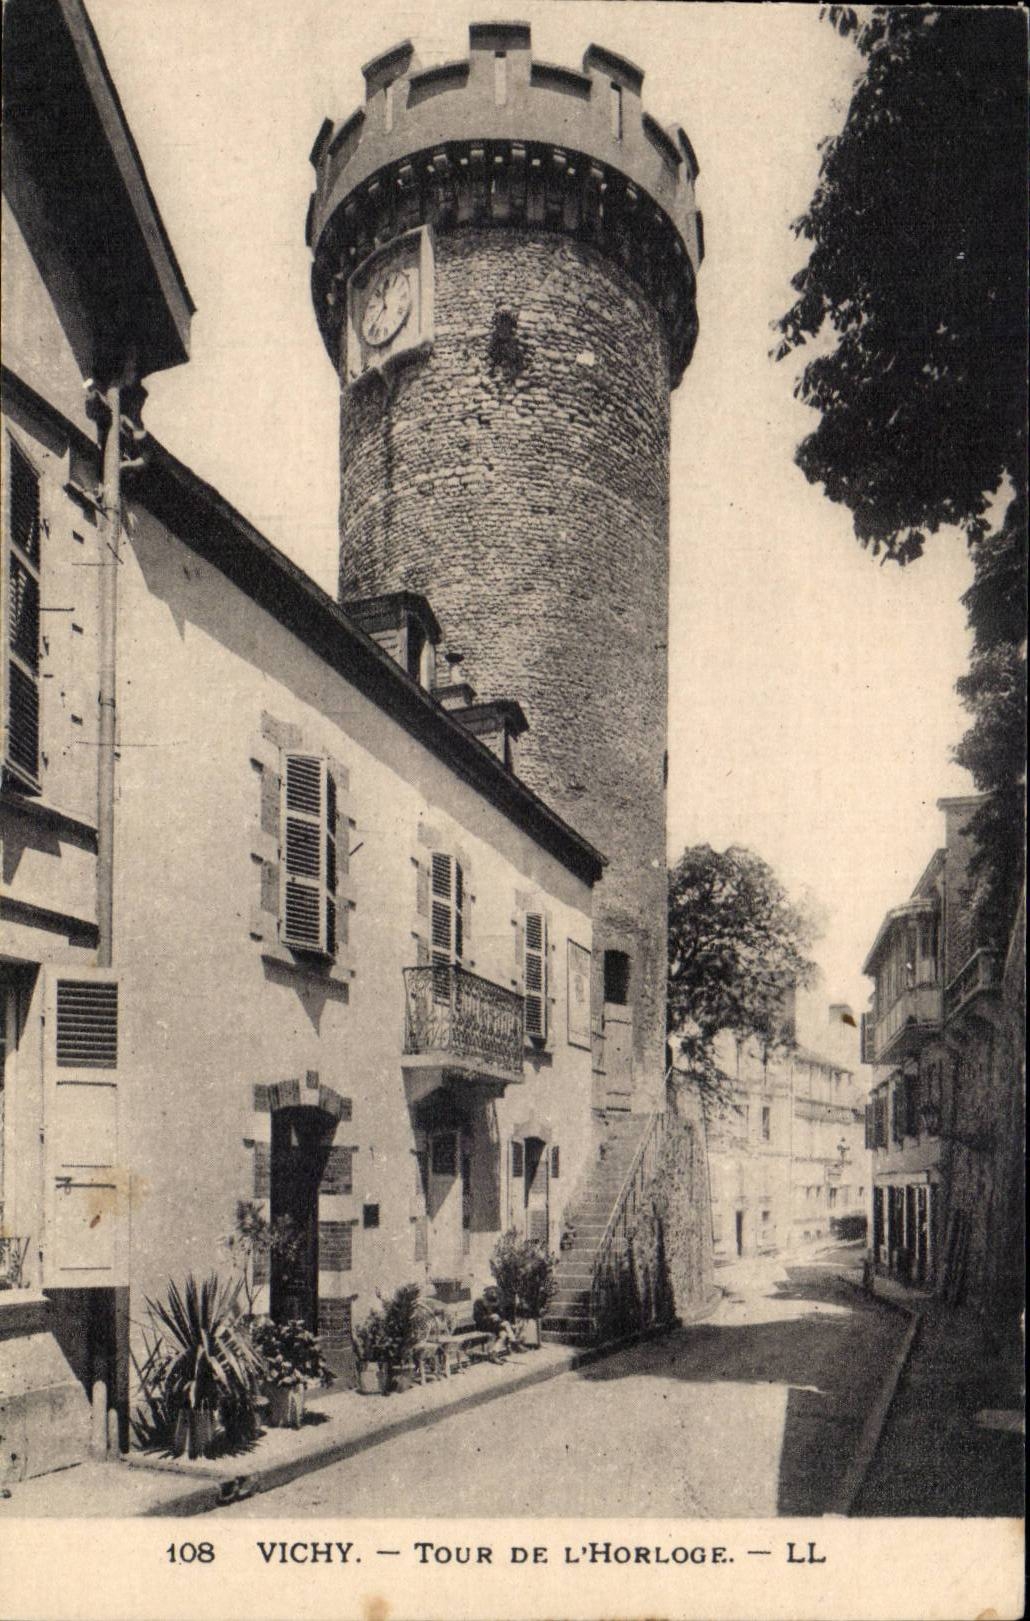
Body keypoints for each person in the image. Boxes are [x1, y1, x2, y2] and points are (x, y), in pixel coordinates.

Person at [472, 1285, 524, 1361]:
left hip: (493, 1325)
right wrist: (489, 1317)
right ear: (485, 1298)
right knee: (506, 1324)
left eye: (492, 1303)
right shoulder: (478, 1303)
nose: (490, 1305)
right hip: (482, 1326)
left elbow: (500, 1316)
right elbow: (477, 1319)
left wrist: (497, 1317)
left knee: (503, 1334)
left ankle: (494, 1354)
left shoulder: (494, 1304)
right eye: (489, 1303)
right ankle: (513, 1342)